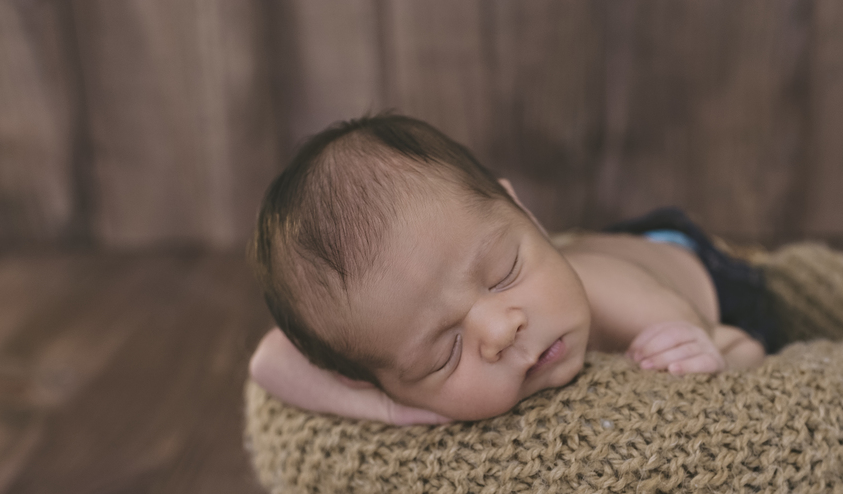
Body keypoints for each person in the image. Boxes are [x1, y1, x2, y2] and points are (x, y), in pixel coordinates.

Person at [248, 113, 780, 424]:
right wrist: (395, 411)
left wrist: (711, 354)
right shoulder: (386, 359)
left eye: (503, 273)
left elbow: (745, 349)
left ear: (524, 210)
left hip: (696, 277)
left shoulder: (629, 307)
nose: (501, 328)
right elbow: (268, 362)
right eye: (443, 354)